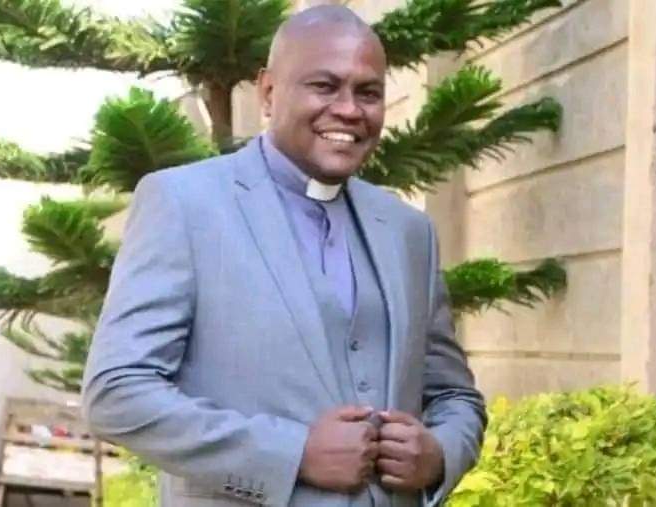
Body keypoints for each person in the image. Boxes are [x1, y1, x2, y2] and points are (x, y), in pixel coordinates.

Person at [82, 5, 486, 507]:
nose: (349, 110)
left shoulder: (409, 231)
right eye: (324, 86)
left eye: (368, 92)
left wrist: (439, 453)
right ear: (269, 92)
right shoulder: (185, 204)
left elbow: (454, 395)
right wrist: (290, 454)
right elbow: (116, 393)